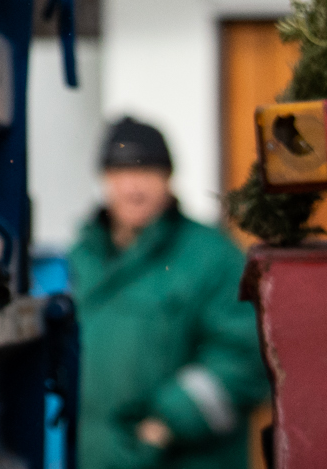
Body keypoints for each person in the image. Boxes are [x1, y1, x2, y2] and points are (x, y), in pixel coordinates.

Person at [65, 118, 270, 468]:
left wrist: (163, 426)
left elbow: (245, 359)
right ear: (104, 179)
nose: (134, 188)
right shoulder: (82, 257)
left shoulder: (212, 257)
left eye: (148, 173)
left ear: (168, 179)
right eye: (120, 173)